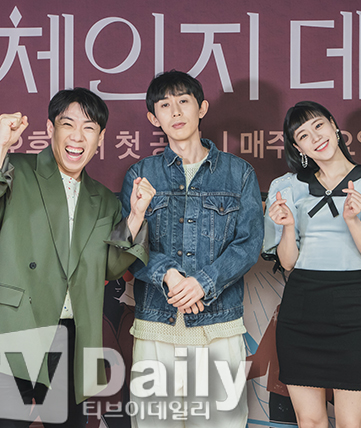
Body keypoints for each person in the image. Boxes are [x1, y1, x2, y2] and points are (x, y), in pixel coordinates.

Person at [0, 87, 156, 427]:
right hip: (12, 327)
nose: (77, 136)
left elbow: (110, 268)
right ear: (51, 128)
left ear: (100, 138)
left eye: (89, 128)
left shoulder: (103, 200)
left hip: (71, 338)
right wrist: (0, 146)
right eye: (68, 124)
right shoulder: (18, 169)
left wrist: (135, 217)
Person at [120, 70, 264, 428]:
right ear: (153, 117)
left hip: (219, 329)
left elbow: (249, 243)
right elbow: (128, 243)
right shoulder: (140, 174)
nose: (176, 111)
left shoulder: (239, 173)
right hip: (156, 328)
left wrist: (203, 282)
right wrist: (168, 275)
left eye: (183, 101)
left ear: (201, 108)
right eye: (164, 105)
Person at [262, 101, 361, 428]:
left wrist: (354, 221)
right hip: (299, 311)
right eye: (303, 135)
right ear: (298, 148)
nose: (315, 137)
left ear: (333, 124)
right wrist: (288, 226)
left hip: (350, 309)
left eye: (318, 126)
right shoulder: (288, 187)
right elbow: (288, 262)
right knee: (310, 421)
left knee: (351, 424)